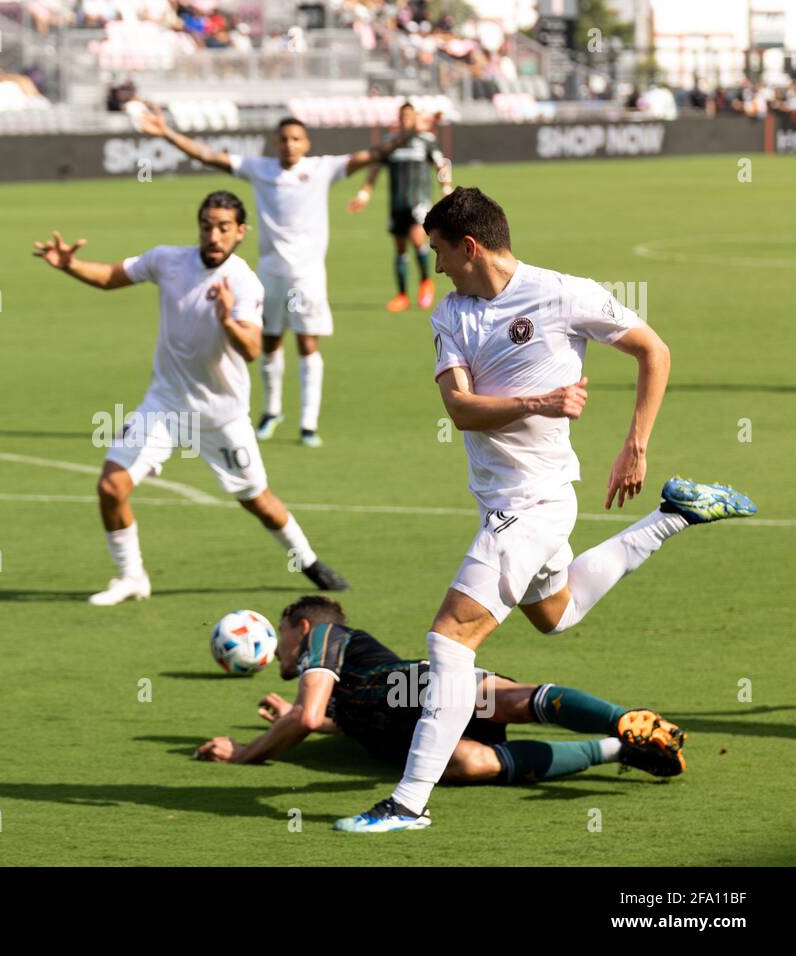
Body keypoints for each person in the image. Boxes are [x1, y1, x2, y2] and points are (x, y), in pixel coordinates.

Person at [335, 187, 756, 832]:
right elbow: (460, 409)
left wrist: (635, 444)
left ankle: (407, 802)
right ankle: (676, 514)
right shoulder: (450, 313)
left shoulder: (564, 293)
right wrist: (538, 403)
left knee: (449, 638)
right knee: (555, 615)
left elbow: (654, 349)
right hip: (506, 505)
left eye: (441, 252)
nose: (437, 266)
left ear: (469, 246)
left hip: (534, 504)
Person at [32, 191, 350, 606]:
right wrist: (69, 264)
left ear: (240, 231)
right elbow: (112, 276)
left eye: (223, 228)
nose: (213, 235)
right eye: (206, 226)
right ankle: (132, 577)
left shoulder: (244, 282)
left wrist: (227, 319)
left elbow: (253, 348)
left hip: (222, 416)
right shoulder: (168, 261)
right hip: (164, 405)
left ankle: (308, 561)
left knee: (259, 503)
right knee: (111, 487)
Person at [138, 110, 436, 447]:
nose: (289, 145)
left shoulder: (322, 169)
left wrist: (409, 132)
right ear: (275, 143)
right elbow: (208, 155)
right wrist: (166, 132)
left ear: (306, 143)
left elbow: (374, 154)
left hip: (307, 274)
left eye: (296, 139)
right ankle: (272, 411)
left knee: (308, 343)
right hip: (269, 273)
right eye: (283, 139)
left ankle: (308, 423)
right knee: (269, 341)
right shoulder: (259, 169)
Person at [195, 595, 687, 790]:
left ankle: (625, 718)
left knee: (511, 702)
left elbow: (307, 719)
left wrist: (243, 753)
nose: (279, 651)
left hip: (411, 687)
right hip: (398, 729)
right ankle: (621, 746)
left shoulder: (324, 639)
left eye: (281, 636)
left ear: (300, 628)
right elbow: (324, 718)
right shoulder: (335, 690)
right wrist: (297, 713)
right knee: (473, 761)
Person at [348, 101, 452, 312]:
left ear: (414, 118)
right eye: (402, 116)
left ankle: (425, 283)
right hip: (397, 203)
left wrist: (446, 187)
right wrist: (365, 192)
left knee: (417, 240)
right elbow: (375, 168)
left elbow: (442, 164)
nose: (406, 120)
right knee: (399, 249)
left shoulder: (426, 140)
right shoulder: (390, 142)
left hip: (419, 202)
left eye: (409, 116)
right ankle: (402, 295)